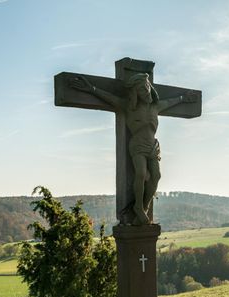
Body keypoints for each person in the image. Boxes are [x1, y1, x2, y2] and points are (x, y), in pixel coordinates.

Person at [69, 73, 197, 225]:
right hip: (138, 145)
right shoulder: (129, 107)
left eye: (147, 87)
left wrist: (184, 98)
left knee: (156, 176)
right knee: (141, 173)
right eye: (142, 89)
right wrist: (91, 89)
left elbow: (171, 101)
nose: (146, 91)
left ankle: (142, 207)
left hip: (153, 145)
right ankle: (138, 207)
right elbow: (110, 98)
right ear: (136, 93)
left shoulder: (156, 106)